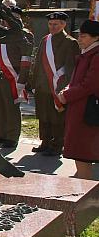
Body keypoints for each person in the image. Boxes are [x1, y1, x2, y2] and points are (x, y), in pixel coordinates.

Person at [30, 11, 80, 156]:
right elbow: (38, 62)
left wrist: (66, 87)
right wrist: (33, 82)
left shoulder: (70, 42)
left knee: (57, 116)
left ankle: (57, 144)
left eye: (56, 24)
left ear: (63, 25)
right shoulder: (45, 40)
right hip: (42, 84)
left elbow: (71, 68)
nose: (52, 27)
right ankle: (45, 141)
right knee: (43, 115)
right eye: (50, 24)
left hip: (58, 85)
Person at [57, 20, 99, 179]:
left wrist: (66, 96)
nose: (79, 39)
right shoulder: (86, 54)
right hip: (80, 110)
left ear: (96, 37)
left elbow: (90, 85)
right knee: (81, 157)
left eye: (84, 36)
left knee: (84, 156)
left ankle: (86, 192)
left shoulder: (96, 56)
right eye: (79, 35)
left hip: (88, 112)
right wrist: (66, 90)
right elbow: (76, 81)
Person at [0, 6, 33, 148]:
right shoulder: (0, 33)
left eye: (15, 17)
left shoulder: (24, 34)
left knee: (11, 107)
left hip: (13, 75)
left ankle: (12, 135)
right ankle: (1, 132)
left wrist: (22, 80)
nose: (11, 20)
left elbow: (26, 59)